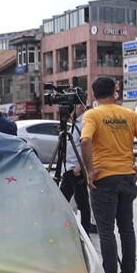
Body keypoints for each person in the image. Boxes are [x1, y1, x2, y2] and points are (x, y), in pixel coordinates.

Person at [80, 76, 137, 273]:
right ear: (115, 92)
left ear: (94, 94)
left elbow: (85, 141)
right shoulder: (129, 114)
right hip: (126, 177)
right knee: (127, 229)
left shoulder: (92, 114)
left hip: (104, 179)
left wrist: (90, 170)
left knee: (106, 231)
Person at [59, 100, 94, 234]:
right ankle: (63, 228)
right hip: (69, 168)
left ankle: (85, 232)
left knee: (83, 203)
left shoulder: (85, 123)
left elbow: (89, 145)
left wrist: (81, 165)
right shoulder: (74, 123)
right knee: (61, 199)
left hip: (76, 169)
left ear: (79, 105)